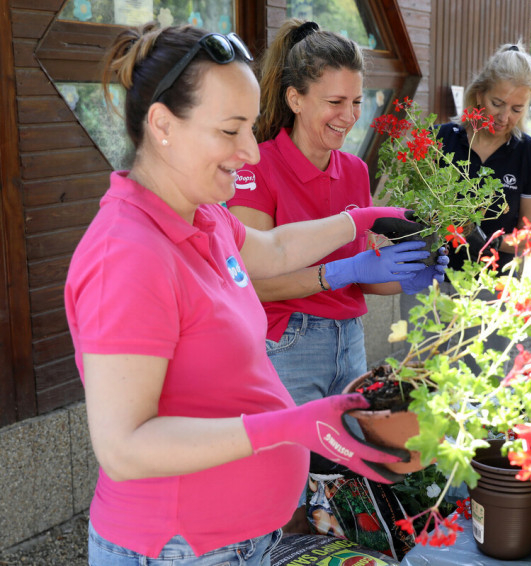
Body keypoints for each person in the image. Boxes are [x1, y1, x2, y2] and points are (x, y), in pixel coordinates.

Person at [65, 23, 425, 565]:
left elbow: (275, 248)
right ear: (162, 126)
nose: (251, 152)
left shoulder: (202, 215)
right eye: (231, 130)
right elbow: (124, 448)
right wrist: (290, 426)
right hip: (180, 546)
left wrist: (364, 219)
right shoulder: (129, 254)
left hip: (242, 539)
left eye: (251, 128)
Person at [226, 19, 447, 408]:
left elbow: (358, 277)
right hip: (288, 342)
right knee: (295, 449)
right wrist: (343, 271)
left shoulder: (355, 170)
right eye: (335, 102)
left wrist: (407, 277)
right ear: (295, 99)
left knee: (346, 450)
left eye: (357, 101)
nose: (349, 116)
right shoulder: (257, 168)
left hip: (351, 341)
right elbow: (251, 283)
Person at [436, 42, 531, 273]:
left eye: (517, 109)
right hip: (433, 277)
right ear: (479, 95)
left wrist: (489, 243)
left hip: (495, 284)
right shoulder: (440, 140)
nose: (504, 117)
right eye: (497, 104)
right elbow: (413, 212)